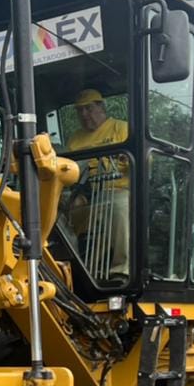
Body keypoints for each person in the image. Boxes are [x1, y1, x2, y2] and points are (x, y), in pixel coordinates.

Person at [66, 89, 129, 279]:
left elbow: (144, 161)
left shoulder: (121, 128)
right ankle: (71, 270)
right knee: (61, 211)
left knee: (118, 208)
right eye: (80, 111)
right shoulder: (75, 139)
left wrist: (125, 159)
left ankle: (121, 269)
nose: (84, 115)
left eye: (89, 108)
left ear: (101, 107)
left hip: (119, 190)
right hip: (89, 193)